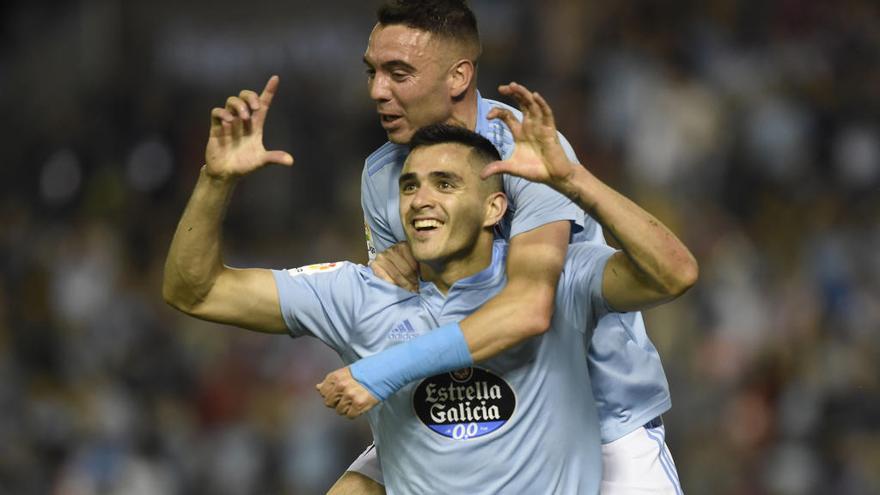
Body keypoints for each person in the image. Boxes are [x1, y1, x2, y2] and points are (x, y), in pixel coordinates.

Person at [161, 74, 697, 493]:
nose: (422, 199)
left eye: (446, 184)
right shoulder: (359, 293)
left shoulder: (561, 279)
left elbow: (675, 272)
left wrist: (575, 181)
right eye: (411, 185)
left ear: (495, 207)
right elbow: (195, 291)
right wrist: (215, 180)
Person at [325, 1, 684, 493]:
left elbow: (530, 309)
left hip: (598, 415)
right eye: (372, 72)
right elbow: (404, 314)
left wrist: (381, 371)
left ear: (458, 77)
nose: (377, 90)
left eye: (398, 73)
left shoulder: (527, 153)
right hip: (471, 408)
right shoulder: (382, 174)